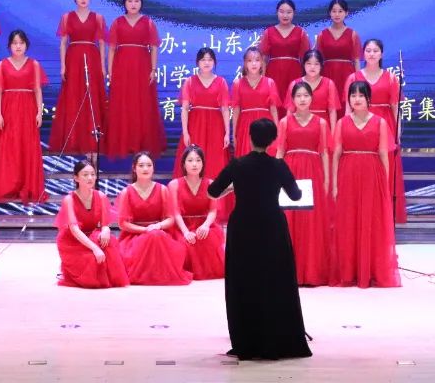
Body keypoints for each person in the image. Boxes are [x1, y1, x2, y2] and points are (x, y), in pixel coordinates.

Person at [209, 118, 311, 360]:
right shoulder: (278, 166)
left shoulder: (237, 165)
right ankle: (277, 337)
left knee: (244, 280)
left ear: (250, 137)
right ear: (273, 140)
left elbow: (212, 191)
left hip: (243, 227)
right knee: (274, 279)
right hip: (272, 227)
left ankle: (247, 340)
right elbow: (296, 196)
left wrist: (234, 188)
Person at [332, 80, 401, 288]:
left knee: (372, 222)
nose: (357, 99)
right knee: (349, 221)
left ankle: (371, 270)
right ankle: (349, 271)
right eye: (353, 95)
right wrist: (334, 183)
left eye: (361, 95)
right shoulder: (342, 123)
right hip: (348, 174)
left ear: (368, 98)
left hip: (372, 175)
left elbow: (383, 155)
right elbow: (336, 154)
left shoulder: (380, 122)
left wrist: (385, 184)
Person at [343, 39, 405, 222]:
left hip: (385, 125)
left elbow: (395, 107)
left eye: (375, 51)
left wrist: (398, 131)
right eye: (368, 50)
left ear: (381, 54)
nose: (371, 54)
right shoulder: (353, 78)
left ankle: (383, 215)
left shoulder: (391, 78)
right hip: (358, 125)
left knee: (384, 170)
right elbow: (347, 109)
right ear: (363, 53)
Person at [277, 82, 331, 286]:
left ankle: (311, 272)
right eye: (298, 95)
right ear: (292, 99)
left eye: (306, 95)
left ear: (311, 98)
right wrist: (276, 177)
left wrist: (326, 179)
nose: (302, 99)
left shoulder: (321, 123)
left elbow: (324, 152)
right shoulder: (284, 122)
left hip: (313, 172)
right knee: (290, 220)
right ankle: (289, 272)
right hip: (290, 172)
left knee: (311, 222)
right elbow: (280, 151)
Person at [104, 0, 165, 158]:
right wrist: (110, 71)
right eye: (130, 1)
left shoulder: (148, 23)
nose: (133, 4)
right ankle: (123, 142)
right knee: (123, 103)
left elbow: (154, 47)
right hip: (122, 67)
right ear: (124, 3)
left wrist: (153, 69)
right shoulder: (117, 22)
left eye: (136, 0)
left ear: (141, 3)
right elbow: (112, 49)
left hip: (142, 67)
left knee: (142, 104)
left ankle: (141, 143)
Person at [49, 0, 108, 158]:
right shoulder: (67, 17)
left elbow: (102, 43)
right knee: (73, 96)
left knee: (92, 97)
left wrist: (103, 66)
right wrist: (63, 66)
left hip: (92, 58)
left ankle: (92, 141)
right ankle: (73, 139)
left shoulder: (98, 18)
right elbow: (63, 43)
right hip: (73, 59)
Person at [0, 30, 47, 204]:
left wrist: (39, 112)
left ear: (26, 45)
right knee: (9, 148)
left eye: (21, 43)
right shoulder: (2, 65)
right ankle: (8, 186)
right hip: (8, 109)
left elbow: (37, 90)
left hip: (28, 110)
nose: (18, 46)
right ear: (9, 46)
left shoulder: (34, 64)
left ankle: (28, 186)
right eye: (15, 43)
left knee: (26, 146)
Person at [117, 153, 192, 286]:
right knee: (152, 236)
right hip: (135, 236)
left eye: (149, 165)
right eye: (141, 165)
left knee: (156, 236)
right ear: (134, 168)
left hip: (159, 233)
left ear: (153, 168)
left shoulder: (162, 189)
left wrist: (158, 226)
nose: (145, 169)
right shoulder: (126, 192)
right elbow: (123, 224)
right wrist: (145, 230)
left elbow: (170, 219)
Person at [56, 160, 129, 288]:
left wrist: (106, 230)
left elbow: (105, 223)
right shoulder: (69, 199)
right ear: (76, 178)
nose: (90, 178)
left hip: (92, 235)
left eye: (92, 174)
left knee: (109, 242)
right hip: (73, 241)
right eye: (85, 174)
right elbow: (74, 230)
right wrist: (95, 248)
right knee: (91, 263)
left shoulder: (100, 196)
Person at [168, 146, 225, 280]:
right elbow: (175, 213)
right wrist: (186, 232)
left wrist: (205, 225)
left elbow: (213, 210)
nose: (195, 164)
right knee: (187, 243)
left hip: (204, 224)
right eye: (190, 160)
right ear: (183, 164)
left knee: (205, 239)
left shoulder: (210, 184)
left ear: (203, 163)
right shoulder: (174, 184)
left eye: (198, 160)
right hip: (182, 226)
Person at [173, 48, 230, 179]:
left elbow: (225, 109)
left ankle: (215, 190)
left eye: (210, 59)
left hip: (216, 125)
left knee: (215, 158)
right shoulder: (190, 81)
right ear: (197, 62)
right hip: (195, 124)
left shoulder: (221, 82)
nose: (206, 63)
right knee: (194, 156)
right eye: (203, 59)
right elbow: (185, 108)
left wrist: (227, 133)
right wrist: (185, 132)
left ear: (214, 62)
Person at [230, 47, 281, 158]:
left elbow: (273, 109)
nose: (254, 63)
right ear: (245, 63)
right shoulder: (237, 83)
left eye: (257, 60)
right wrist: (234, 134)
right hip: (245, 127)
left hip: (266, 126)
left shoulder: (270, 82)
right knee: (246, 160)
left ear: (262, 62)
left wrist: (277, 131)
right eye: (250, 60)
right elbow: (236, 110)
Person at [259, 0, 310, 108]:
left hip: (294, 72)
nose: (285, 15)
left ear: (294, 13)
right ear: (277, 12)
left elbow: (306, 59)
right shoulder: (269, 32)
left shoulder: (300, 32)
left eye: (289, 12)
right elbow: (263, 59)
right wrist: (263, 79)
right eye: (281, 12)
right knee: (274, 103)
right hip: (273, 73)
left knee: (294, 102)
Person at [314, 0, 361, 113]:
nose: (337, 14)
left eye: (340, 11)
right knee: (328, 104)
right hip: (327, 74)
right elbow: (318, 60)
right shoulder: (322, 35)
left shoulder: (353, 34)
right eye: (334, 11)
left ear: (346, 13)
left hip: (347, 75)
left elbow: (356, 60)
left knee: (347, 105)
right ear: (329, 13)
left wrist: (357, 81)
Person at [286, 50, 339, 131]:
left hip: (322, 127)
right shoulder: (294, 84)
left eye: (316, 64)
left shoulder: (329, 84)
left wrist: (333, 133)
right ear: (303, 64)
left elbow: (332, 111)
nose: (312, 67)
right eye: (309, 63)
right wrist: (288, 129)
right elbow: (290, 110)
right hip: (299, 126)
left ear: (321, 65)